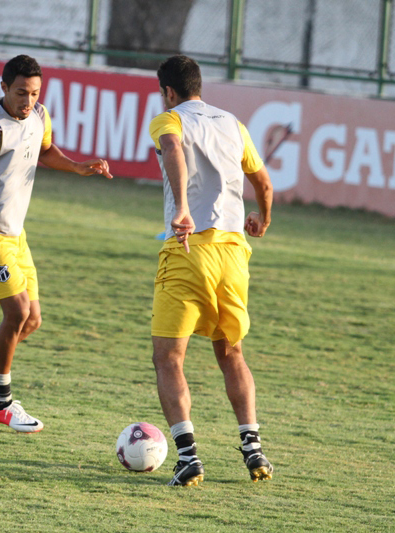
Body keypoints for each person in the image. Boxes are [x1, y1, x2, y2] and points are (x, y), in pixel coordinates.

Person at [0, 55, 112, 433]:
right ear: (3, 89)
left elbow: (46, 151)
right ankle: (0, 403)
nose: (27, 101)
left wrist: (77, 166)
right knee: (15, 313)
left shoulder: (39, 115)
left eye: (33, 93)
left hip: (16, 235)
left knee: (30, 320)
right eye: (20, 93)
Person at [148, 55, 274, 486]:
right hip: (234, 254)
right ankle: (253, 448)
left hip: (189, 250)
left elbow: (171, 151)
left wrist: (181, 208)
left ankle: (187, 457)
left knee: (168, 357)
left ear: (169, 92)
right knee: (231, 352)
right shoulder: (234, 124)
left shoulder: (168, 121)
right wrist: (263, 217)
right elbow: (264, 183)